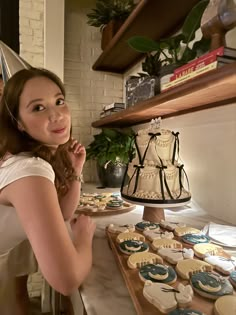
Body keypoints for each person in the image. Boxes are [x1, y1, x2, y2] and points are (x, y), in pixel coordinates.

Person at [0, 68, 96, 315]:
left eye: (59, 101)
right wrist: (84, 236)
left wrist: (76, 169)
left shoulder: (37, 159)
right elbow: (67, 279)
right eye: (38, 108)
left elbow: (63, 212)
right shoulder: (30, 170)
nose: (57, 115)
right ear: (19, 123)